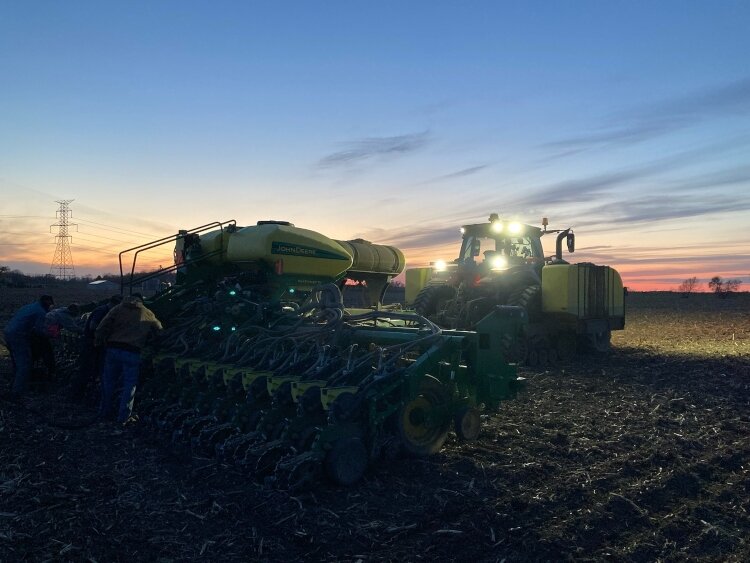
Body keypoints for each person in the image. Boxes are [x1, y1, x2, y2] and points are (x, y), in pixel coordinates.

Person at [95, 294, 162, 424]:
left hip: (113, 349)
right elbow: (159, 330)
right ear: (141, 302)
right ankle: (123, 417)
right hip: (132, 352)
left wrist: (98, 341)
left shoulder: (118, 308)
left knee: (108, 382)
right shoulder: (147, 312)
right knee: (129, 385)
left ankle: (104, 412)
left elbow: (102, 325)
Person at [71, 294, 123, 402]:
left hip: (96, 343)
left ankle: (87, 394)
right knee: (86, 368)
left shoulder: (106, 310)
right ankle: (76, 395)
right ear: (115, 304)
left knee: (95, 369)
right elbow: (93, 326)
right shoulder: (102, 311)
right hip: (91, 343)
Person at [4, 295, 55, 397]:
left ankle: (14, 384)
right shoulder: (40, 312)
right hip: (18, 335)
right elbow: (39, 330)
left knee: (16, 362)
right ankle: (17, 392)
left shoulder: (30, 306)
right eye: (50, 304)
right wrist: (51, 334)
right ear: (47, 302)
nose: (50, 307)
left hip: (8, 332)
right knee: (25, 363)